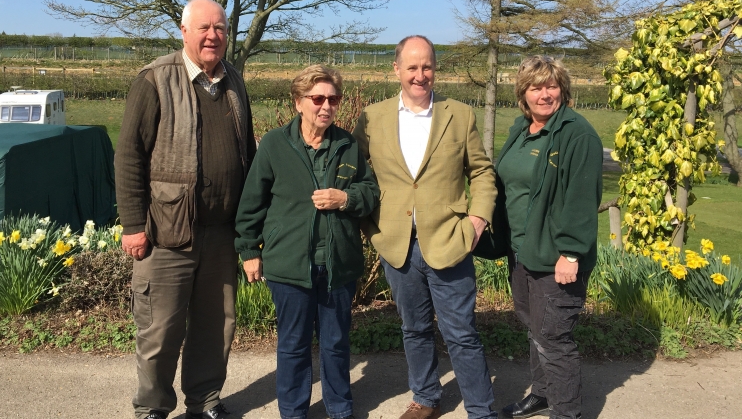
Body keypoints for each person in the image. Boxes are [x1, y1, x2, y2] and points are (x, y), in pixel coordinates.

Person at [115, 0, 256, 419]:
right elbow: (128, 155)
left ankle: (205, 400)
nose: (213, 36)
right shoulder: (155, 79)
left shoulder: (234, 80)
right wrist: (133, 225)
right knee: (160, 329)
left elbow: (245, 149)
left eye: (220, 28)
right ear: (184, 32)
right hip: (167, 231)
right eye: (204, 28)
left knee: (217, 327)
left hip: (221, 233)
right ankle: (153, 406)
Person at [352, 35, 498, 419]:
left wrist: (478, 219)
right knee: (413, 329)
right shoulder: (371, 117)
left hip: (450, 239)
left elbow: (481, 171)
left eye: (427, 66)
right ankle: (426, 398)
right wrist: (371, 226)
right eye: (412, 67)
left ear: (436, 69)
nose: (420, 75)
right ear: (396, 69)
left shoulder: (459, 115)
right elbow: (357, 175)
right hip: (396, 244)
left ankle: (481, 409)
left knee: (462, 333)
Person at [235, 65, 378, 419]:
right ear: (299, 102)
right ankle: (294, 411)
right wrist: (249, 250)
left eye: (333, 98)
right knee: (293, 345)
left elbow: (370, 190)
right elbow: (252, 201)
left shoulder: (346, 145)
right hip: (290, 264)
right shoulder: (274, 144)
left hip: (337, 264)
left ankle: (340, 409)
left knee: (335, 344)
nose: (326, 106)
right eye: (317, 99)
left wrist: (344, 199)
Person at [492, 56, 603, 419]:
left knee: (554, 338)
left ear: (563, 89)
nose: (544, 94)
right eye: (535, 87)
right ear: (523, 94)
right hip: (523, 251)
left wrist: (571, 252)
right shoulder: (520, 131)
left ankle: (566, 412)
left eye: (551, 86)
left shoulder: (576, 134)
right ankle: (542, 394)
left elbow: (582, 197)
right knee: (534, 329)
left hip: (556, 257)